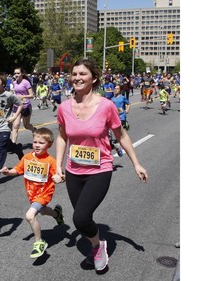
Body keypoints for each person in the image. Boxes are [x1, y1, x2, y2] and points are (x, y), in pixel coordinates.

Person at [54, 58, 148, 272]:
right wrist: (58, 165)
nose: (77, 78)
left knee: (80, 217)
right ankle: (97, 243)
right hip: (73, 170)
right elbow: (61, 137)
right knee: (83, 217)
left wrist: (136, 164)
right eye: (74, 74)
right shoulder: (64, 107)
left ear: (93, 78)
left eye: (82, 74)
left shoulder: (106, 106)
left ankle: (98, 247)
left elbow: (121, 134)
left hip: (100, 169)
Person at [0, 127, 64, 259]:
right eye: (35, 142)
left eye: (41, 143)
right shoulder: (27, 157)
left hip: (44, 194)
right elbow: (18, 170)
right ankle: (56, 213)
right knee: (43, 211)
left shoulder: (51, 161)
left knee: (30, 215)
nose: (37, 145)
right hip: (32, 194)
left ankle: (39, 242)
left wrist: (59, 178)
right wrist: (8, 172)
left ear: (49, 145)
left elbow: (60, 176)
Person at [0, 72, 24, 186]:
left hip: (6, 126)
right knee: (6, 146)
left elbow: (20, 104)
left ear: (3, 84)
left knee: (0, 150)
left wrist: (14, 116)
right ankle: (17, 148)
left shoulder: (9, 95)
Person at [11, 67, 36, 143]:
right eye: (15, 73)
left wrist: (22, 96)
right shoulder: (14, 83)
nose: (16, 75)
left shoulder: (26, 82)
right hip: (17, 106)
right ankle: (13, 144)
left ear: (22, 74)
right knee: (15, 126)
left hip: (26, 106)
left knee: (26, 125)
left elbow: (32, 95)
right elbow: (15, 93)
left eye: (18, 73)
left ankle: (34, 130)